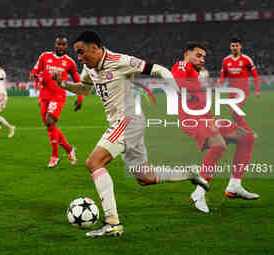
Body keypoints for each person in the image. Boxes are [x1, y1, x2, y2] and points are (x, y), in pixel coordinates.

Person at [52, 31, 209, 237]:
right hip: (126, 123)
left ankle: (112, 223)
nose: (79, 58)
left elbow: (158, 69)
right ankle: (190, 172)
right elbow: (85, 89)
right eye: (77, 54)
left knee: (94, 162)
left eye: (81, 53)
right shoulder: (89, 68)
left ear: (95, 48)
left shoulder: (120, 60)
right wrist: (62, 83)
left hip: (127, 121)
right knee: (145, 178)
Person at [171, 42, 259, 214]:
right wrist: (202, 87)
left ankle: (234, 185)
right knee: (218, 145)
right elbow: (178, 83)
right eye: (198, 55)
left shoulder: (198, 73)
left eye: (204, 56)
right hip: (192, 119)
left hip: (208, 119)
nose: (202, 59)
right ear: (186, 54)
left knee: (246, 137)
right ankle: (199, 192)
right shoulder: (182, 65)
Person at [30, 35, 84, 168]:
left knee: (50, 121)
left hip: (58, 96)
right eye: (58, 44)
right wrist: (34, 75)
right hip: (44, 95)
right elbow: (35, 71)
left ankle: (55, 156)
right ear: (55, 45)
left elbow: (77, 80)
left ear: (66, 46)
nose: (60, 47)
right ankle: (69, 149)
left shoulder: (69, 62)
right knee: (50, 126)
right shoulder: (44, 56)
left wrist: (80, 97)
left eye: (63, 45)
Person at [220, 37, 260, 133]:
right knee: (234, 114)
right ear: (230, 47)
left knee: (235, 110)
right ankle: (245, 132)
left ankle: (246, 132)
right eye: (233, 46)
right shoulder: (226, 60)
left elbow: (255, 75)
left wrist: (257, 89)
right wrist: (220, 85)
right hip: (231, 92)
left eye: (236, 46)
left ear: (240, 47)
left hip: (242, 90)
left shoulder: (246, 59)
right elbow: (223, 75)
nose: (234, 47)